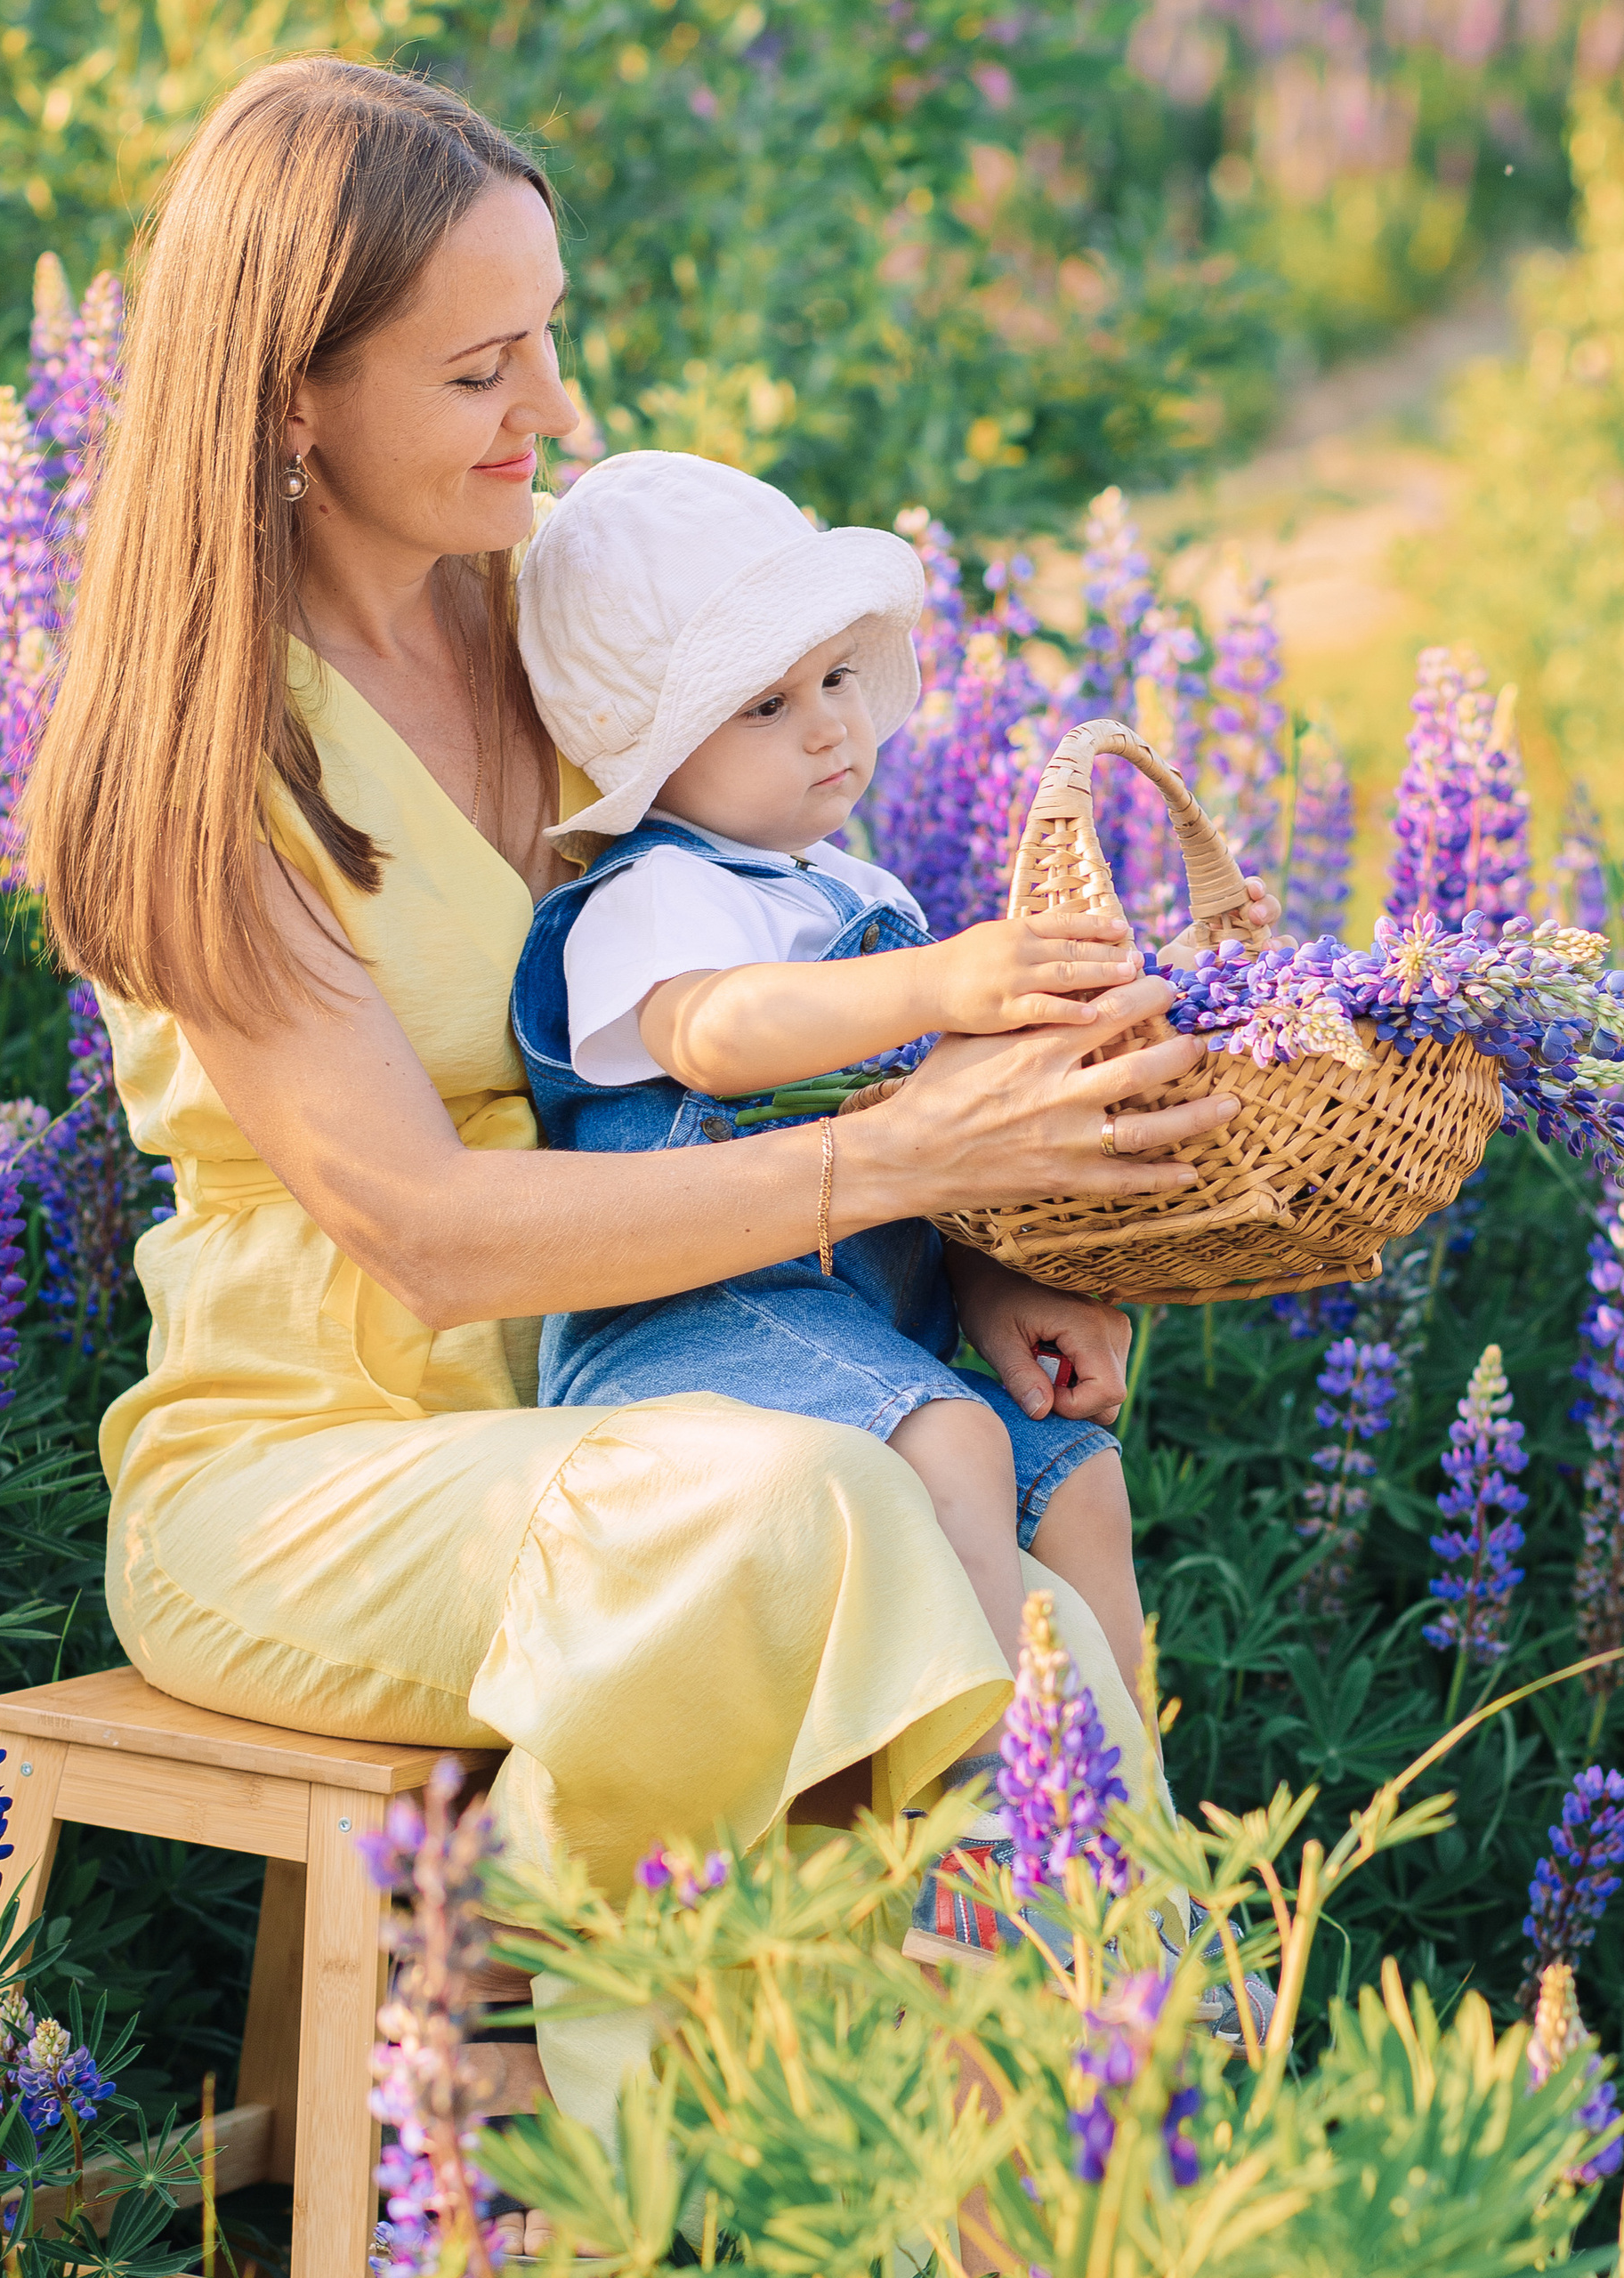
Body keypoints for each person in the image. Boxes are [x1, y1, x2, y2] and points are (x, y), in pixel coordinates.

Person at [24, 54, 1248, 2254]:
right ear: (292, 396)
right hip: (314, 1472)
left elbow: (791, 964)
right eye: (478, 368)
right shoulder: (195, 751)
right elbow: (430, 1227)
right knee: (809, 1502)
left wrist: (991, 1246)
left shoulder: (564, 615)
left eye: (548, 335)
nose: (551, 407)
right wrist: (898, 1163)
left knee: (979, 1535)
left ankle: (1080, 2164)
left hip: (681, 1379)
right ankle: (663, 2152)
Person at [509, 455, 1278, 1946]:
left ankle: (1129, 1854)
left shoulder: (856, 895)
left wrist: (1002, 1281)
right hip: (688, 1332)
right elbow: (714, 1034)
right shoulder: (651, 893)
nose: (829, 727)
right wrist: (933, 983)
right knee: (954, 1441)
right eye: (764, 706)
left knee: (1077, 1476)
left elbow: (928, 1148)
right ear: (649, 751)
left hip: (865, 1335)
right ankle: (982, 1843)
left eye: (835, 680)